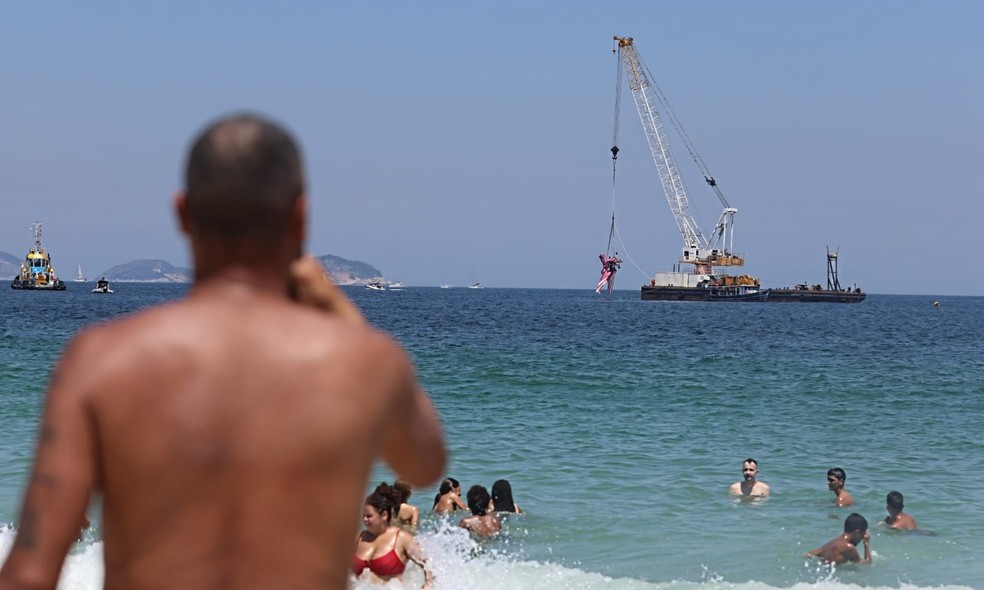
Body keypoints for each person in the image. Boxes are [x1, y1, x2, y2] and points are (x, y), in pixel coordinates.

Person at [0, 113, 446, 590]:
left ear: (182, 213)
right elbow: (424, 463)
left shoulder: (102, 362)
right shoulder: (362, 362)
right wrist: (344, 316)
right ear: (300, 216)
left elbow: (30, 572)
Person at [354, 484, 434, 588]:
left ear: (384, 515)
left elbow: (428, 566)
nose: (364, 519)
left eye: (369, 516)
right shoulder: (359, 537)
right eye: (363, 515)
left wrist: (427, 586)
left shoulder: (402, 538)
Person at [805, 512, 871, 565]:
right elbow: (866, 564)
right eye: (862, 535)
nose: (862, 538)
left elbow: (808, 554)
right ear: (857, 532)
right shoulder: (849, 548)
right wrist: (866, 544)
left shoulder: (830, 544)